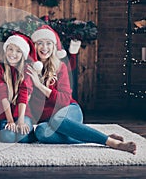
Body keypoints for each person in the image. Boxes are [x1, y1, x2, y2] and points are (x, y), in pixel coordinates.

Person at [27, 25, 137, 154]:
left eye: (48, 43)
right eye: (39, 43)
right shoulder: (29, 69)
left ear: (54, 46)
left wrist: (39, 86)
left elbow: (64, 100)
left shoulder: (60, 67)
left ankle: (114, 143)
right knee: (41, 132)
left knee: (57, 119)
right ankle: (97, 137)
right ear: (33, 46)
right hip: (47, 121)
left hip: (69, 110)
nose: (44, 48)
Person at [0, 32, 42, 143]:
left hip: (23, 113)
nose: (13, 53)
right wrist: (10, 120)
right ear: (6, 50)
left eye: (18, 51)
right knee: (7, 138)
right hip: (5, 114)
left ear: (23, 55)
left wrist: (20, 120)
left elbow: (23, 95)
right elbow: (2, 95)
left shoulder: (27, 69)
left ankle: (31, 133)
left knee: (22, 137)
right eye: (10, 49)